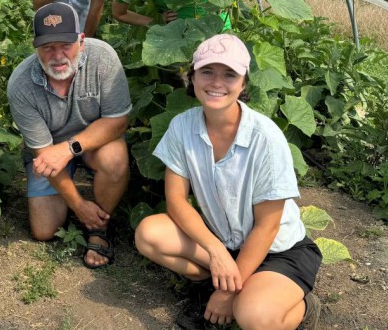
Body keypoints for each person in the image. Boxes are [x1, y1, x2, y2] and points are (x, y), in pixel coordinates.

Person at [134, 34, 322, 329]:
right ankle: (216, 281)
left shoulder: (265, 138)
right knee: (149, 233)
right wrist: (217, 251)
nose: (216, 83)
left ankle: (301, 306)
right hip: (225, 240)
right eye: (207, 71)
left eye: (229, 74)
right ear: (192, 77)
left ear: (244, 83)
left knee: (253, 317)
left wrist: (226, 293)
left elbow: (268, 226)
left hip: (277, 250)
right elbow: (176, 201)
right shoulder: (182, 126)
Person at [7, 2, 131, 268]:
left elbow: (118, 121)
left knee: (115, 158)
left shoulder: (104, 58)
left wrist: (69, 149)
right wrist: (78, 205)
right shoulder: (20, 84)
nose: (57, 55)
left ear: (81, 41)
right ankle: (87, 210)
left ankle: (99, 230)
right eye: (48, 47)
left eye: (66, 44)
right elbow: (43, 152)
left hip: (92, 141)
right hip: (48, 151)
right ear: (35, 47)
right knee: (44, 231)